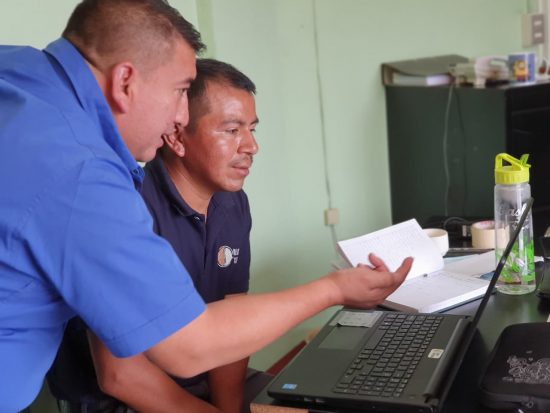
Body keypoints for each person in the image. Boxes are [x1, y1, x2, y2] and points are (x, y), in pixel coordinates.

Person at [0, 1, 413, 411]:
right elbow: (185, 349)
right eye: (180, 91)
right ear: (126, 81)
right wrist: (333, 289)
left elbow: (230, 317)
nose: (180, 115)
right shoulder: (86, 176)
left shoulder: (19, 72)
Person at [47, 58, 270, 413]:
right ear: (177, 136)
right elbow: (120, 376)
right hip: (122, 399)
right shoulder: (124, 209)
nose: (250, 147)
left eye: (252, 130)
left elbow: (232, 323)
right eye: (231, 130)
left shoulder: (233, 204)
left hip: (201, 384)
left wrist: (229, 409)